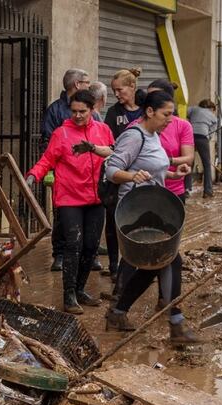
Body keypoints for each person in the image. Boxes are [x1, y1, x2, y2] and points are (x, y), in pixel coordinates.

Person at [104, 90, 200, 343]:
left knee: (152, 265)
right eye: (166, 114)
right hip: (135, 211)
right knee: (168, 260)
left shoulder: (154, 135)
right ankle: (176, 324)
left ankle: (118, 311)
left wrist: (172, 174)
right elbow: (111, 169)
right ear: (149, 111)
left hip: (153, 207)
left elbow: (151, 168)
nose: (170, 119)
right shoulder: (134, 136)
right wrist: (131, 176)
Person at [26, 90, 114, 314]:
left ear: (92, 110)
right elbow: (47, 159)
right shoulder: (61, 133)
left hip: (96, 198)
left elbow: (115, 154)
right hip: (68, 198)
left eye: (82, 111)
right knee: (73, 246)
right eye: (73, 111)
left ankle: (81, 289)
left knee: (91, 246)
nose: (77, 116)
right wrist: (33, 176)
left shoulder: (103, 130)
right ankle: (69, 295)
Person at [42, 69, 93, 273]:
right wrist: (50, 170)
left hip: (86, 178)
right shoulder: (55, 110)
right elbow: (47, 142)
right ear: (78, 84)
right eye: (87, 82)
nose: (78, 115)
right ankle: (60, 254)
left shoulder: (93, 113)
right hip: (63, 174)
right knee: (61, 216)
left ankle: (88, 254)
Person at [101, 68, 145, 279]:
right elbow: (109, 142)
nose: (117, 94)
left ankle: (135, 262)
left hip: (142, 173)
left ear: (132, 87)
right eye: (113, 90)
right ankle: (113, 264)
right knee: (112, 219)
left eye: (120, 90)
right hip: (118, 173)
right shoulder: (113, 113)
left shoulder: (146, 107)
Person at [142, 79, 194, 204]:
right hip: (144, 191)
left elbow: (188, 158)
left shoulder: (182, 125)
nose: (150, 100)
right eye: (148, 96)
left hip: (174, 190)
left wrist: (168, 161)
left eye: (155, 96)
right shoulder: (136, 129)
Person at [188, 99, 219, 198]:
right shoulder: (213, 116)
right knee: (206, 164)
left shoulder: (193, 109)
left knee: (188, 163)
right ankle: (208, 191)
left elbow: (183, 113)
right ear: (211, 108)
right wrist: (207, 138)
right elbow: (212, 131)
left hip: (189, 136)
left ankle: (186, 190)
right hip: (202, 137)